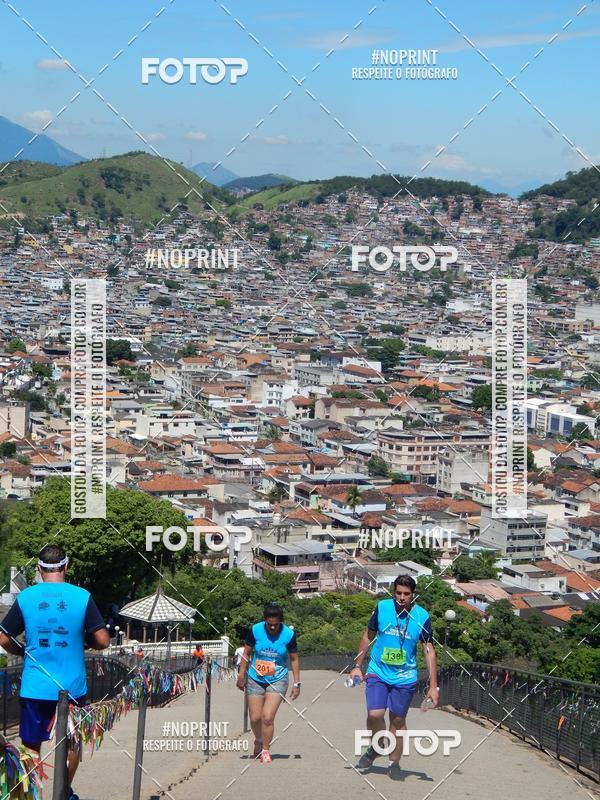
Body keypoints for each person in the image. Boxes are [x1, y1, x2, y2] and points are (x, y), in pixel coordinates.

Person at [0, 545, 110, 800]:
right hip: (72, 686)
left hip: (35, 684)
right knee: (72, 742)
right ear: (66, 567)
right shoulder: (82, 596)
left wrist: (22, 651)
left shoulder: (26, 597)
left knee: (30, 744)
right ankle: (62, 791)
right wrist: (84, 643)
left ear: (39, 569)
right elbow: (103, 640)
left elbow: (4, 638)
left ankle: (31, 794)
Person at [349, 574, 438, 780]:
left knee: (398, 720)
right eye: (398, 593)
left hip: (405, 676)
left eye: (406, 594)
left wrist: (433, 686)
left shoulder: (422, 616)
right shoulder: (382, 608)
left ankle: (394, 762)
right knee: (375, 715)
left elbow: (428, 650)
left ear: (413, 595)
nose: (401, 597)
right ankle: (377, 745)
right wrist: (357, 666)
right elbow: (367, 636)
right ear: (393, 592)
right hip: (378, 671)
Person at [236, 603, 301, 764]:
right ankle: (258, 739)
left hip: (278, 679)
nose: (272, 628)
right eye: (269, 624)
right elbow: (246, 653)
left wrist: (297, 683)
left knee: (267, 717)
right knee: (255, 718)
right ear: (265, 620)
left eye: (275, 624)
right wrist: (241, 674)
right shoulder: (255, 630)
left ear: (280, 621)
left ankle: (265, 749)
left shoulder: (288, 634)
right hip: (255, 678)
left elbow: (294, 658)